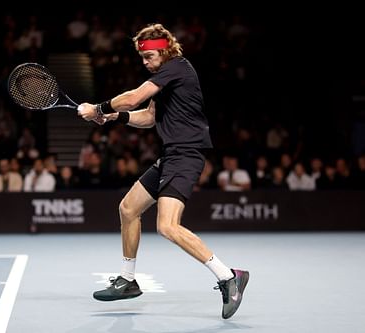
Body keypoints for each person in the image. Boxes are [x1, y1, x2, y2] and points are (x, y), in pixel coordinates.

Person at [77, 23, 249, 319]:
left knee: (167, 227)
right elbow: (148, 116)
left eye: (149, 57)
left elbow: (134, 97)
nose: (145, 63)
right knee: (128, 208)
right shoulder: (165, 78)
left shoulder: (177, 66)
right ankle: (128, 280)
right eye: (143, 58)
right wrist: (115, 117)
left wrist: (98, 108)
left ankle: (229, 277)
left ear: (166, 50)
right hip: (171, 155)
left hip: (186, 155)